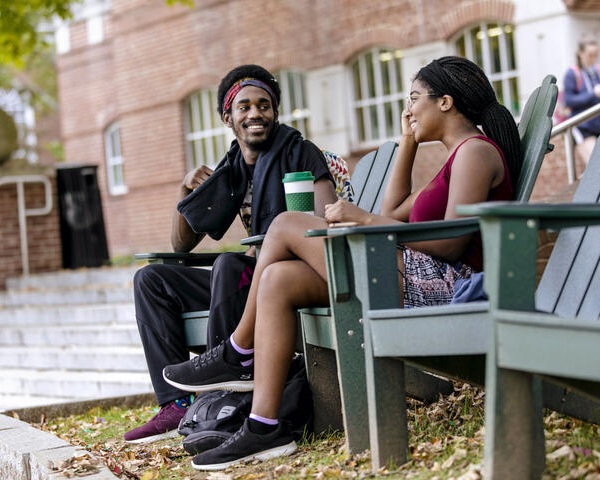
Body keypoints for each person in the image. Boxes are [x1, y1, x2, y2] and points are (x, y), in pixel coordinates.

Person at [162, 56, 522, 470]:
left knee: (283, 224)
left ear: (445, 102)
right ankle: (264, 427)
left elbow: (453, 242)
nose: (408, 110)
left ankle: (239, 351)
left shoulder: (474, 153)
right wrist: (407, 143)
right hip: (415, 273)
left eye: (414, 98)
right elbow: (395, 209)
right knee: (277, 279)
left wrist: (362, 219)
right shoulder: (455, 156)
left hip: (444, 285)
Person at [124, 64, 337, 443]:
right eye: (244, 107)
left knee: (228, 263)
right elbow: (182, 246)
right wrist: (184, 194)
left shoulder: (300, 153)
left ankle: (224, 396)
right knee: (150, 279)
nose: (255, 113)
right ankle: (176, 404)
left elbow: (324, 223)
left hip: (285, 277)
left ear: (274, 112)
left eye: (264, 105)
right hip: (246, 284)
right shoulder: (232, 169)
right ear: (229, 117)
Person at [563, 35, 600, 167]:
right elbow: (569, 101)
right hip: (582, 126)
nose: (593, 58)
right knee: (595, 166)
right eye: (590, 55)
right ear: (580, 53)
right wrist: (593, 94)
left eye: (596, 54)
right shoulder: (572, 74)